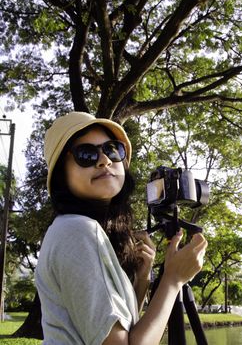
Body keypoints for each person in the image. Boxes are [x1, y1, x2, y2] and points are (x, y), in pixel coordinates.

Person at [35, 111, 208, 345]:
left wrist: (141, 280)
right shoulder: (78, 230)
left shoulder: (78, 230)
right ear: (60, 176)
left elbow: (122, 333)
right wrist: (173, 279)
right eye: (86, 154)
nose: (104, 160)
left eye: (112, 150)